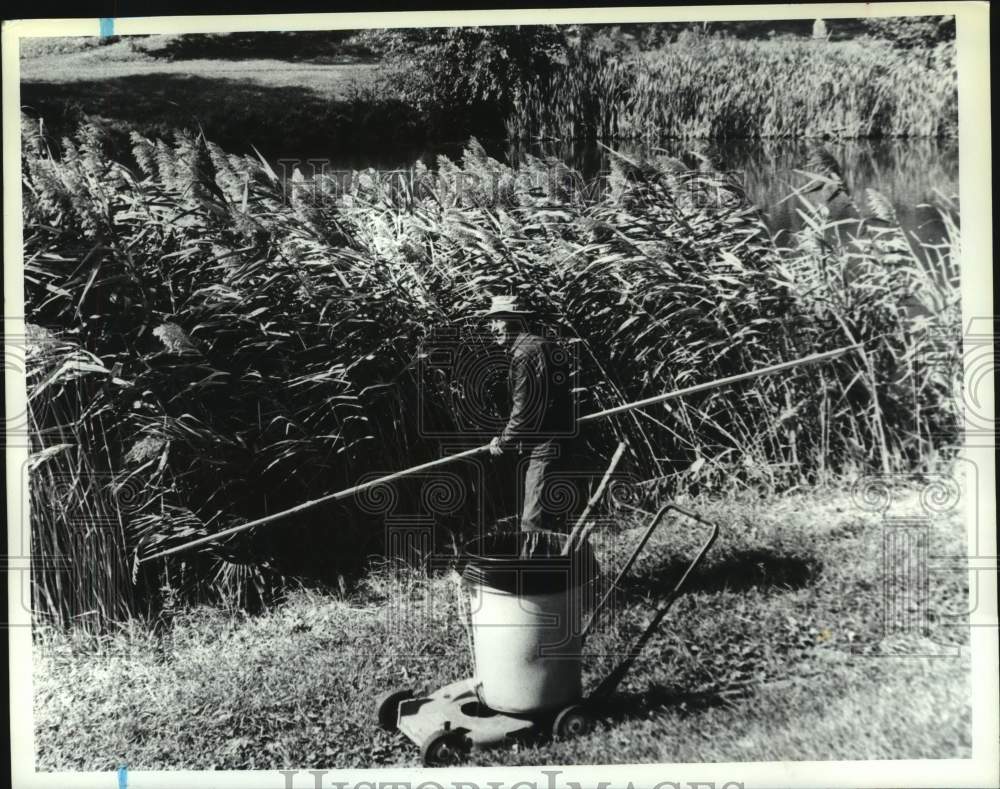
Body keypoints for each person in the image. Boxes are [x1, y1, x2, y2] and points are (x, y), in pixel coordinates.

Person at [483, 295, 574, 532]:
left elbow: (524, 411)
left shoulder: (524, 354)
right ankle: (563, 565)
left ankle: (534, 568)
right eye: (490, 322)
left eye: (498, 320)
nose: (492, 328)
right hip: (560, 437)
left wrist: (503, 441)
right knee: (554, 515)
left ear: (515, 321)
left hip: (545, 444)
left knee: (531, 522)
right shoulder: (542, 344)